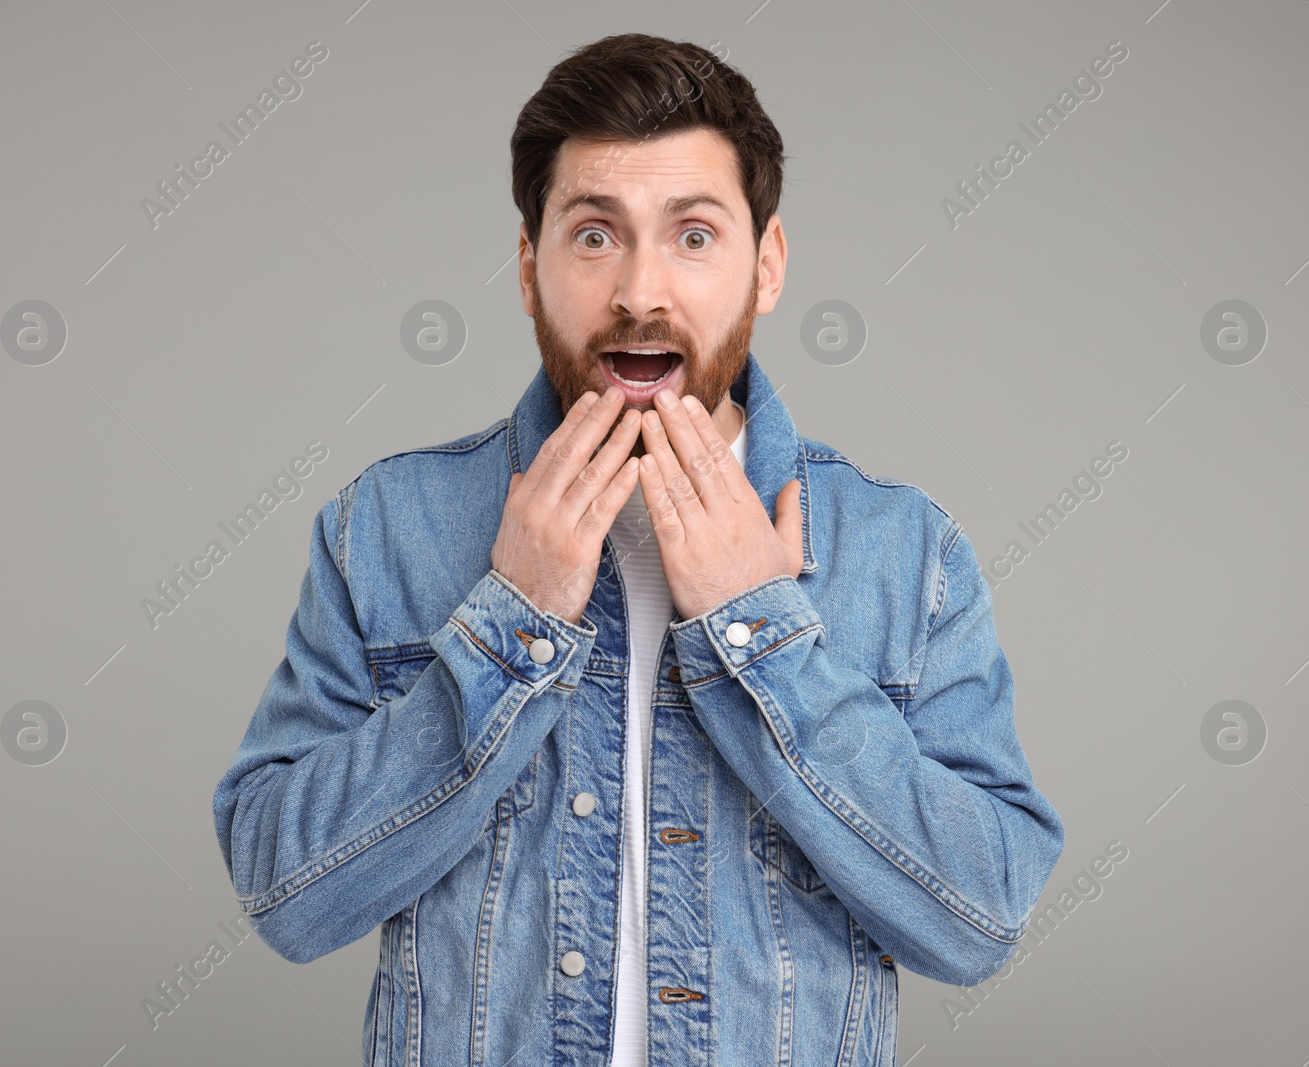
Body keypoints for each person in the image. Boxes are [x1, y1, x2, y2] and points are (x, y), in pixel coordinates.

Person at [213, 32, 1063, 1067]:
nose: (639, 291)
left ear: (768, 264)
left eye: (694, 235)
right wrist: (510, 624)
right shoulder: (385, 524)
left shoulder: (904, 547)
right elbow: (283, 891)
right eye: (593, 235)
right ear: (530, 270)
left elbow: (977, 919)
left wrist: (762, 636)